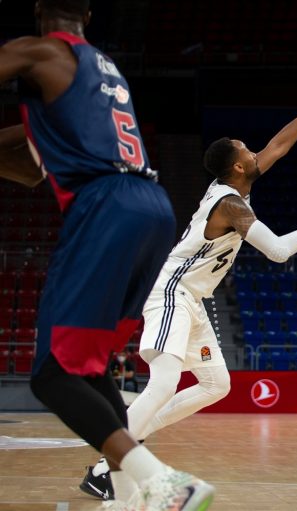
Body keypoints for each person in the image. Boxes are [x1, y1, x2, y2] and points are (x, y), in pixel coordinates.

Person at [80, 73, 297, 502]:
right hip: (170, 290)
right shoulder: (230, 204)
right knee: (165, 382)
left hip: (194, 298)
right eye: (246, 149)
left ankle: (119, 451)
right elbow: (278, 251)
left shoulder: (233, 185)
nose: (254, 150)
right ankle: (110, 463)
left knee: (216, 384)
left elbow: (277, 147)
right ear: (239, 166)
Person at [0, 2, 215, 509]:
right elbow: (34, 167)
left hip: (104, 207)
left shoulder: (39, 50)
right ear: (90, 13)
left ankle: (164, 482)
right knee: (90, 371)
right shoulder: (106, 70)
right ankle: (125, 497)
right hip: (151, 207)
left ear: (36, 9)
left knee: (52, 374)